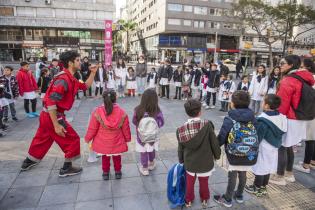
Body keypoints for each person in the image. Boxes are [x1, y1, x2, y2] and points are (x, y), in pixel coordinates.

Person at [20, 50, 97, 177]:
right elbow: (51, 102)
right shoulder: (63, 79)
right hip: (53, 115)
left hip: (47, 116)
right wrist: (56, 124)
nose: (80, 62)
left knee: (42, 139)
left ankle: (29, 161)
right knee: (72, 139)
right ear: (70, 62)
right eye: (77, 60)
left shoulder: (71, 77)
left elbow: (85, 87)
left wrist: (93, 73)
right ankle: (67, 168)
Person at [270, 55, 315, 185]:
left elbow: (282, 104)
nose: (280, 65)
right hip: (300, 118)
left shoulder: (288, 80)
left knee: (282, 147)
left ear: (290, 65)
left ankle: (279, 176)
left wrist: (276, 119)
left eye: (283, 63)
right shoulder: (303, 78)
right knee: (289, 146)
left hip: (288, 117)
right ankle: (289, 174)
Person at [214, 90, 258, 208]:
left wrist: (214, 147)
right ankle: (239, 195)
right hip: (249, 152)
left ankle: (227, 199)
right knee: (243, 173)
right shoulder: (253, 118)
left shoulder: (230, 118)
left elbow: (222, 136)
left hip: (233, 153)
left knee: (232, 175)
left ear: (232, 103)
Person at [177, 99, 221, 208]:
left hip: (190, 163)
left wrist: (181, 160)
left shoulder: (181, 130)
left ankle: (188, 200)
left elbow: (180, 148)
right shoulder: (207, 125)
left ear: (187, 112)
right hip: (205, 162)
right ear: (200, 112)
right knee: (204, 182)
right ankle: (204, 199)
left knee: (189, 183)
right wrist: (217, 155)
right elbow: (214, 142)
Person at [245, 94, 287, 197]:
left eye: (264, 102)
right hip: (274, 146)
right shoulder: (282, 117)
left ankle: (256, 187)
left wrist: (251, 148)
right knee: (268, 166)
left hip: (264, 146)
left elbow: (258, 136)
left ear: (267, 106)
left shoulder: (262, 119)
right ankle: (263, 187)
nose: (262, 103)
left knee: (260, 166)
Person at [85, 90, 131, 180]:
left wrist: (87, 138)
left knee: (105, 157)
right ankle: (118, 172)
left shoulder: (97, 112)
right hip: (117, 140)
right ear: (115, 98)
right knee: (117, 156)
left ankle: (105, 173)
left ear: (103, 99)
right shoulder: (122, 112)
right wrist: (127, 139)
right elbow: (126, 128)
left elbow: (92, 128)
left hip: (103, 141)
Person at [132, 88, 164, 176]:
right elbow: (161, 123)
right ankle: (151, 163)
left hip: (141, 137)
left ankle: (145, 168)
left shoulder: (138, 110)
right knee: (151, 149)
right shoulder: (157, 111)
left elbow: (134, 121)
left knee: (143, 152)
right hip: (153, 137)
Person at [293, 58, 315, 173]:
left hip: (311, 113)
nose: (299, 69)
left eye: (302, 67)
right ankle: (312, 162)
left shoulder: (311, 80)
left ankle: (305, 166)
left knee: (310, 139)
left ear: (308, 68)